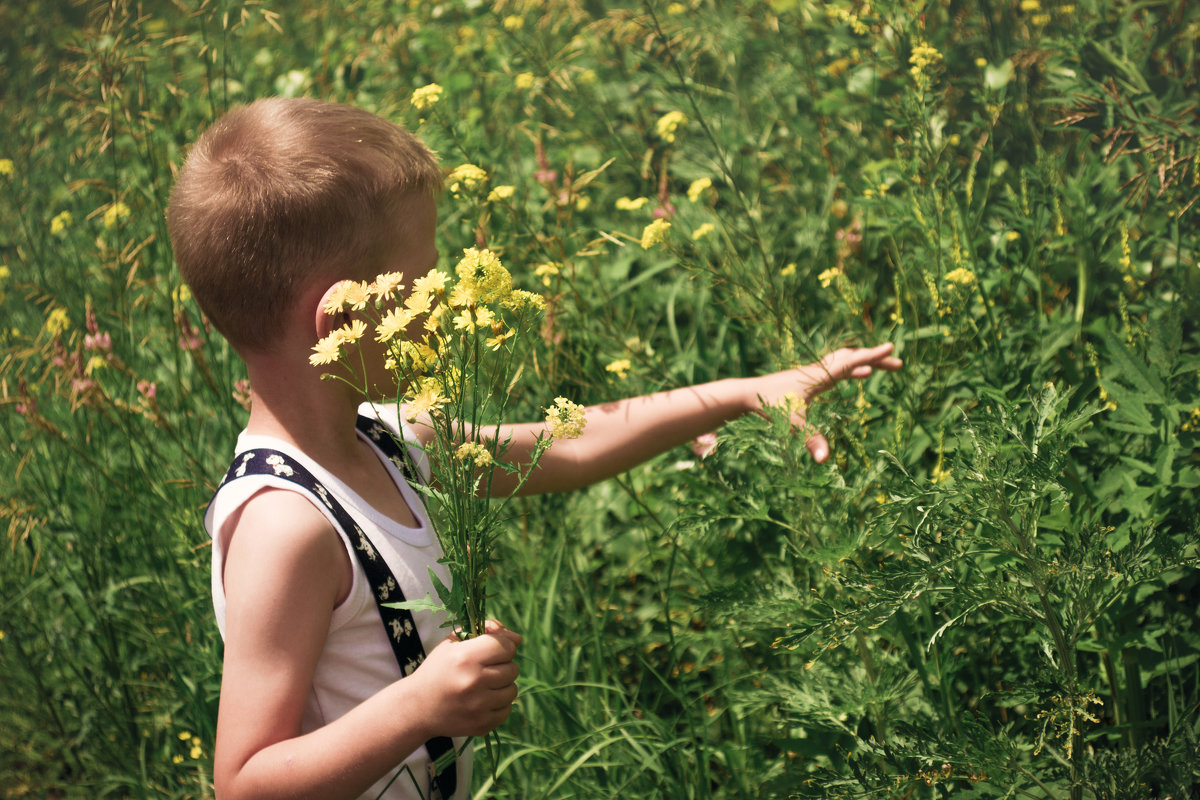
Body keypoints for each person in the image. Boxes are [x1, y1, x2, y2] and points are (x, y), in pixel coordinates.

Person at [167, 97, 901, 800]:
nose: (444, 295)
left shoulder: (390, 437)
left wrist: (749, 390)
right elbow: (245, 780)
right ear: (347, 319)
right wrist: (419, 706)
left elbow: (570, 444)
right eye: (422, 281)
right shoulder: (285, 527)